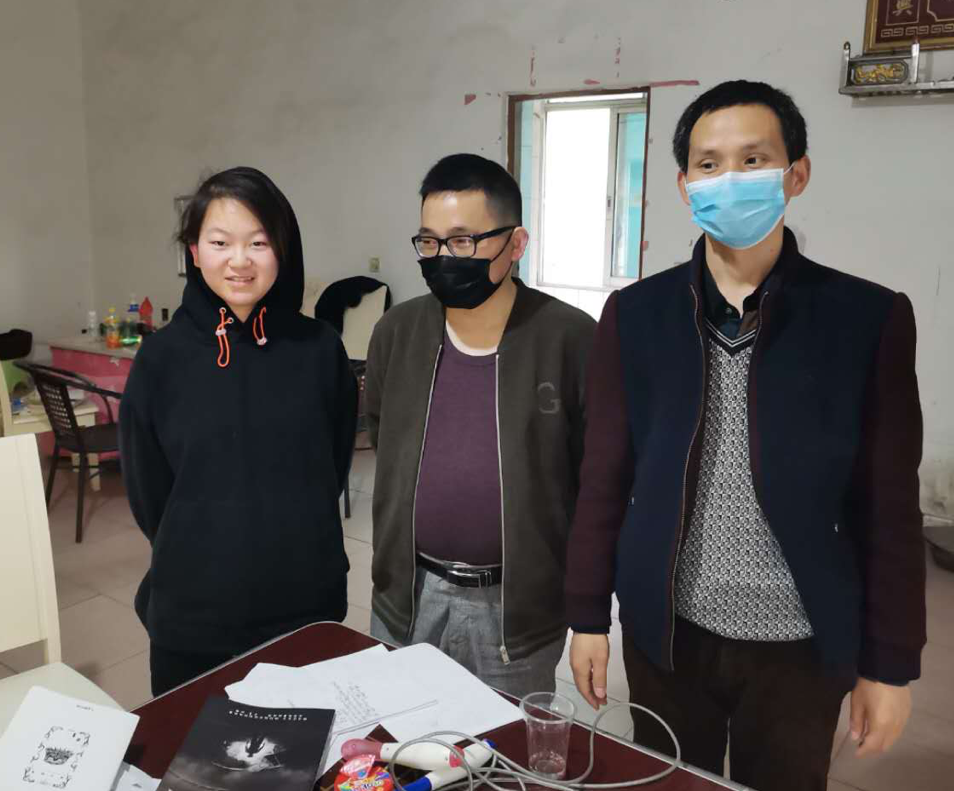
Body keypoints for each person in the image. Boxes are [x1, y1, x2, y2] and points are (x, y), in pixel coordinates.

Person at [565, 81, 925, 791]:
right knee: (668, 782)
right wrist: (586, 616)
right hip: (668, 632)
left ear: (796, 173)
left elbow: (889, 506)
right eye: (708, 164)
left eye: (753, 159)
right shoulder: (635, 316)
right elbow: (603, 476)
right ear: (683, 184)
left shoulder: (865, 318)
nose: (729, 179)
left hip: (799, 644)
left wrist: (889, 664)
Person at [120, 167, 358, 697]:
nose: (240, 260)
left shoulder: (319, 349)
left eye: (259, 242)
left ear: (283, 249)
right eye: (220, 242)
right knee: (190, 743)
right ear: (194, 250)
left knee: (309, 740)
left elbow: (333, 464)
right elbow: (148, 493)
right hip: (194, 615)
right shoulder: (161, 360)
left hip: (305, 606)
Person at [365, 153, 595, 697]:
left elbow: (594, 484)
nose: (444, 258)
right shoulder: (397, 332)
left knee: (503, 745)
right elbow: (383, 437)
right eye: (430, 242)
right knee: (399, 737)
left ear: (516, 243)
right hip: (409, 596)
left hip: (514, 611)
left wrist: (587, 608)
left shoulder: (570, 338)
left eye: (464, 241)